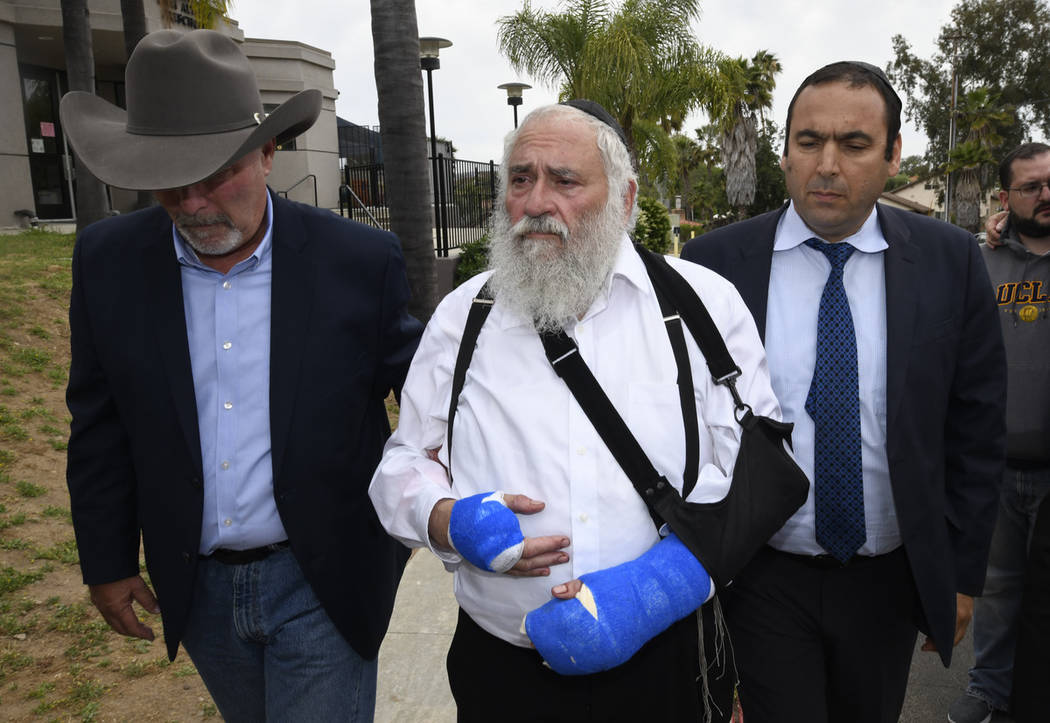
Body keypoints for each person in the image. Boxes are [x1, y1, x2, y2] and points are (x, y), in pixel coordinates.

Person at [369, 101, 784, 721]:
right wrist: (447, 518)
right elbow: (405, 461)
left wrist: (655, 588)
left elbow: (761, 466)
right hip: (504, 672)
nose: (536, 202)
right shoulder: (463, 317)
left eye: (563, 180)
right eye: (520, 179)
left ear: (624, 198)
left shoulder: (701, 306)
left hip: (669, 665)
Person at [61, 30, 422, 721]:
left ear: (266, 152)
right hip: (197, 590)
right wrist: (105, 559)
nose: (194, 202)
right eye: (171, 179)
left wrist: (438, 514)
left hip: (325, 580)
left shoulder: (359, 261)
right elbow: (98, 423)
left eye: (217, 174)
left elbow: (426, 399)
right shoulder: (107, 264)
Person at [681, 61, 1007, 723]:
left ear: (893, 157)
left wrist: (962, 575)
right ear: (784, 152)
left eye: (854, 144)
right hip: (761, 571)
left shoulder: (950, 260)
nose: (827, 163)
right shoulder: (715, 264)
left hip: (888, 573)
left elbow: (975, 428)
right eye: (808, 141)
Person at [947, 141, 1050, 723]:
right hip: (997, 465)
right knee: (998, 588)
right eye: (1032, 186)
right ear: (1006, 197)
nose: (1045, 194)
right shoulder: (979, 260)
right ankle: (989, 688)